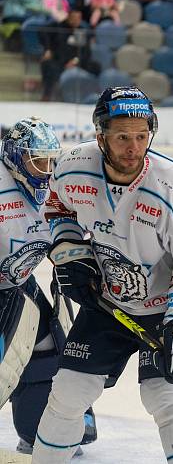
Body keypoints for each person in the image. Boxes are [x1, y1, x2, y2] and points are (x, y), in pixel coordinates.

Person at [31, 86, 173, 463]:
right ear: (100, 136)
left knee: (167, 400)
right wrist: (72, 254)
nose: (133, 147)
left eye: (141, 136)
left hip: (166, 310)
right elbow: (56, 208)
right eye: (121, 137)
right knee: (68, 393)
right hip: (107, 303)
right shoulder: (73, 166)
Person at [0, 118, 97, 456]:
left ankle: (41, 430)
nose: (45, 169)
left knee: (47, 350)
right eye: (36, 160)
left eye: (50, 160)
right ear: (14, 156)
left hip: (18, 284)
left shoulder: (55, 188)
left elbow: (73, 231)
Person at [40, 9, 100, 102]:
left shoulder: (81, 31)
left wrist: (75, 61)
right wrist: (48, 50)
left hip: (77, 62)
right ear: (69, 17)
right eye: (74, 18)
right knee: (47, 65)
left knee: (96, 66)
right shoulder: (58, 27)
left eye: (79, 18)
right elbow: (43, 32)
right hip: (60, 62)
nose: (76, 20)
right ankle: (47, 94)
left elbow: (85, 51)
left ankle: (96, 94)